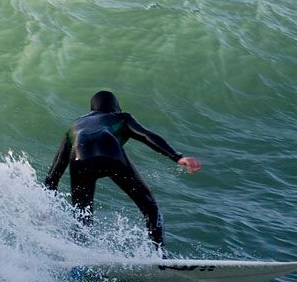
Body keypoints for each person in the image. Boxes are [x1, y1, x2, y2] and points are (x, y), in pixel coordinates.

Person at [43, 90, 201, 255]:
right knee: (150, 207)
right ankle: (160, 256)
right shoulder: (121, 117)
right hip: (110, 152)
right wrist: (177, 157)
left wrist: (46, 206)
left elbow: (54, 174)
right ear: (115, 107)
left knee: (82, 217)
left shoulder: (74, 126)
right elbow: (146, 135)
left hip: (80, 160)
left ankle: (77, 258)